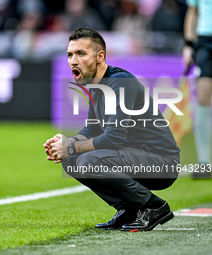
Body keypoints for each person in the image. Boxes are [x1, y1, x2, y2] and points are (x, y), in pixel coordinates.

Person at [43, 27, 180, 231]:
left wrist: (72, 147)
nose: (73, 60)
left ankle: (153, 206)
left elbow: (113, 139)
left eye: (81, 53)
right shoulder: (95, 87)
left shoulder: (120, 82)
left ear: (100, 57)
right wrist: (67, 143)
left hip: (161, 163)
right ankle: (129, 209)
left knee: (89, 160)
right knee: (70, 159)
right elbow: (91, 130)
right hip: (134, 157)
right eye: (70, 55)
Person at [183, 0, 212, 178]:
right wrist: (188, 45)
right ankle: (204, 163)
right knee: (202, 98)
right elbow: (192, 12)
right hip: (205, 42)